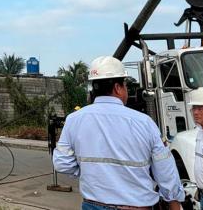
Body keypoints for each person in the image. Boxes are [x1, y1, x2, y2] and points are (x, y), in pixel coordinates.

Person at [53, 56, 184, 210]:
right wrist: (174, 201)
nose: (126, 90)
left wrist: (90, 171)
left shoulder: (74, 119)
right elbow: (165, 170)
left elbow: (62, 163)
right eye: (125, 85)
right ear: (117, 87)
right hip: (136, 206)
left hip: (92, 205)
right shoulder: (144, 122)